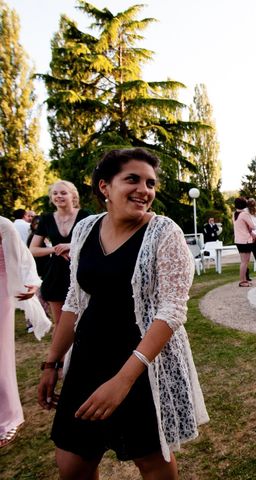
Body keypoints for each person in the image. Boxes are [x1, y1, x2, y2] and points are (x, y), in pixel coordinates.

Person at [37, 148, 208, 479]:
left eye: (150, 182)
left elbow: (171, 310)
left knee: (153, 463)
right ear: (105, 187)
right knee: (71, 463)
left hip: (141, 363)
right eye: (132, 179)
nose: (144, 189)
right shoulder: (86, 228)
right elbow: (75, 299)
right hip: (87, 359)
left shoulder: (164, 232)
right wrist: (52, 361)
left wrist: (123, 380)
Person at [0, 217, 51, 448]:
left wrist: (31, 283)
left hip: (2, 293)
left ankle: (9, 417)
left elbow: (23, 257)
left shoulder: (3, 225)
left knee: (1, 355)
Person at [29, 181, 90, 327]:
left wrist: (70, 246)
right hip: (55, 274)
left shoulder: (85, 216)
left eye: (63, 193)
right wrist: (55, 249)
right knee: (60, 323)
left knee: (83, 322)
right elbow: (33, 250)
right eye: (55, 193)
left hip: (81, 272)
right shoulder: (46, 219)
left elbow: (96, 243)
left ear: (73, 196)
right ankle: (61, 350)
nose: (58, 196)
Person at [233, 197, 256, 287]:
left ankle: (244, 280)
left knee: (244, 261)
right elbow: (253, 226)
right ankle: (242, 281)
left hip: (238, 240)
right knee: (245, 262)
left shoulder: (235, 214)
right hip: (245, 241)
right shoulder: (244, 214)